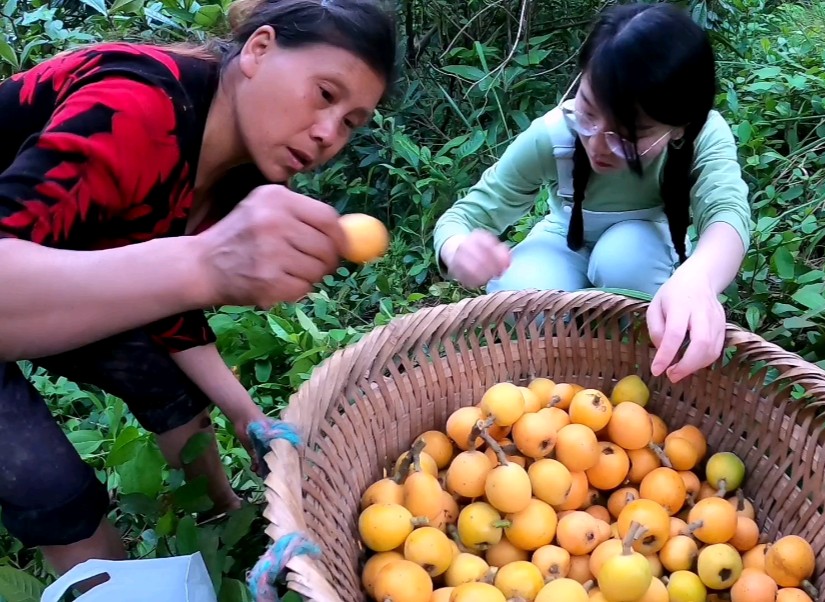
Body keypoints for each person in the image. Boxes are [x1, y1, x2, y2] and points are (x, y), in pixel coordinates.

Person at [0, 0, 397, 578]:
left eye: (350, 122)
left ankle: (224, 520)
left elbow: (158, 299)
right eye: (325, 95)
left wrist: (245, 413)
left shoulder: (228, 164)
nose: (326, 135)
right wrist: (206, 263)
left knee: (160, 373)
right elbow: (175, 270)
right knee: (51, 486)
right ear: (259, 50)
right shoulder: (135, 108)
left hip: (38, 271)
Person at [433, 2, 751, 384]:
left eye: (628, 135)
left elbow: (726, 213)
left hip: (644, 245)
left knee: (625, 255)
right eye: (587, 112)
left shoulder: (702, 134)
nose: (598, 144)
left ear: (679, 126)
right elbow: (463, 218)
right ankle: (557, 380)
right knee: (522, 288)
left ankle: (636, 365)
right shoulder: (554, 136)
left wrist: (698, 278)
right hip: (564, 240)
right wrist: (458, 250)